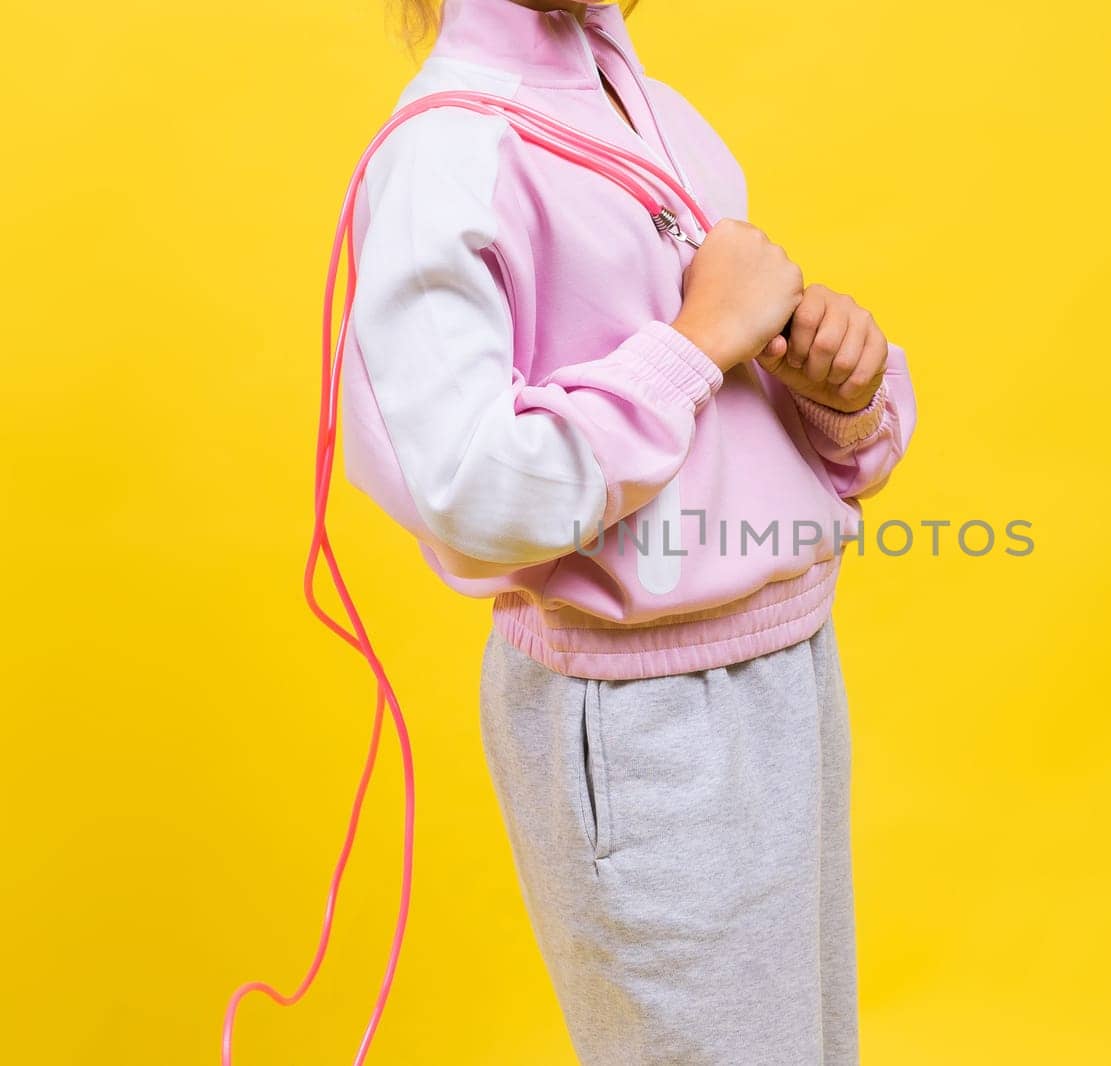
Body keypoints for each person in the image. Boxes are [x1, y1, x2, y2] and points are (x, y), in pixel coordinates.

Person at [343, 0, 917, 1061]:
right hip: (639, 712)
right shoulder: (448, 158)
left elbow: (741, 416)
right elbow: (470, 487)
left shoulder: (651, 112)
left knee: (803, 1044)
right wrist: (698, 340)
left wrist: (838, 387)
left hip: (788, 666)